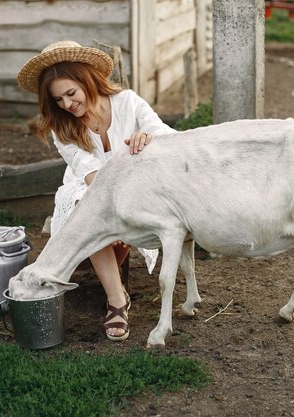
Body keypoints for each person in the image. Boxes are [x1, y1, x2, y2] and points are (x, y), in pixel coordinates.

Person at [16, 40, 175, 341]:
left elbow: (166, 135)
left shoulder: (128, 102)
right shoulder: (61, 127)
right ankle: (117, 299)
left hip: (135, 183)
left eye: (70, 94)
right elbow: (89, 173)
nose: (66, 105)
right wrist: (112, 213)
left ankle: (104, 268)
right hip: (88, 185)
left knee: (123, 213)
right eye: (58, 99)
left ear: (87, 80)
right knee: (86, 207)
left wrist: (148, 137)